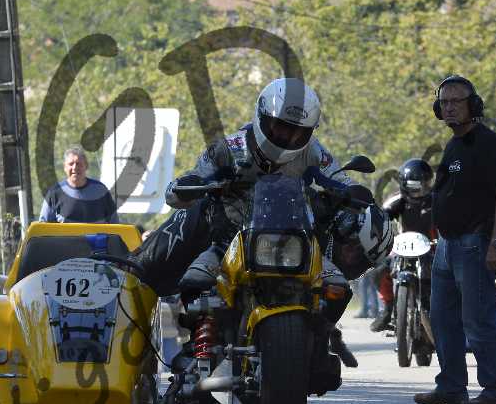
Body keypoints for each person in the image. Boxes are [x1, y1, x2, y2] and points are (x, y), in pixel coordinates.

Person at [130, 77, 391, 372]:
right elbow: (187, 183)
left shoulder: (313, 152)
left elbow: (339, 178)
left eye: (297, 132)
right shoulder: (228, 148)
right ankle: (199, 347)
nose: (288, 137)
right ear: (263, 117)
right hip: (230, 240)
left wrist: (354, 192)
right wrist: (189, 186)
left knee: (338, 286)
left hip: (295, 242)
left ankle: (317, 342)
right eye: (281, 127)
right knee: (197, 279)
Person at [414, 74, 496, 404]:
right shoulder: (453, 146)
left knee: (478, 318)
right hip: (446, 245)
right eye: (444, 102)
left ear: (474, 106)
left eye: (457, 101)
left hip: (475, 243)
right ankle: (451, 387)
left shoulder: (488, 143)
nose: (450, 108)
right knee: (442, 318)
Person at [371, 159, 436, 332]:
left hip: (433, 248)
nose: (418, 192)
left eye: (422, 186)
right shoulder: (397, 201)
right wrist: (376, 233)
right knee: (378, 270)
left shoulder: (437, 201)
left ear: (429, 183)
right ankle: (387, 308)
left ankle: (448, 311)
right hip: (403, 247)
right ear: (404, 185)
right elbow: (380, 218)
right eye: (414, 187)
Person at [39, 147, 119, 224]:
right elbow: (43, 225)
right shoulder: (54, 192)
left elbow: (114, 223)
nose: (74, 167)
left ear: (86, 166)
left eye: (78, 164)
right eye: (71, 164)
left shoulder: (100, 190)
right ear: (65, 167)